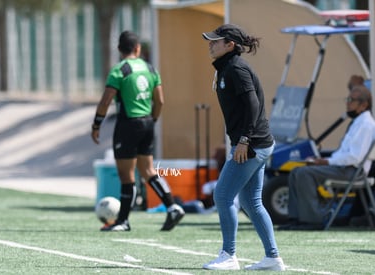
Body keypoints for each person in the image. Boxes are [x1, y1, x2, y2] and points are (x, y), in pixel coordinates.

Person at [201, 24, 285, 271]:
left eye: (216, 41)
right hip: (255, 143)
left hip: (252, 144)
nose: (210, 43)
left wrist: (244, 141)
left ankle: (229, 255)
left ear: (230, 45)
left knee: (223, 195)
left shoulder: (237, 68)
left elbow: (253, 104)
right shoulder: (227, 67)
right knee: (251, 203)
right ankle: (273, 258)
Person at [91, 30, 184, 232]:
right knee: (148, 171)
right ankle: (173, 206)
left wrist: (97, 124)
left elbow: (106, 100)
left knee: (127, 176)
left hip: (128, 124)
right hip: (148, 122)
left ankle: (122, 221)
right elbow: (160, 100)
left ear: (119, 49)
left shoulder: (120, 70)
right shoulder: (150, 69)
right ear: (138, 48)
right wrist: (153, 119)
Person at [279, 83, 375, 230]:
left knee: (304, 174)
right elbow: (344, 154)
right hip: (343, 167)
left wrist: (325, 161)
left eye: (352, 100)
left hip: (352, 171)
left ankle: (312, 221)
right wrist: (322, 161)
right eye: (347, 99)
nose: (348, 104)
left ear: (364, 104)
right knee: (295, 172)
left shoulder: (367, 125)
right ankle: (296, 218)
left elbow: (354, 158)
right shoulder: (358, 122)